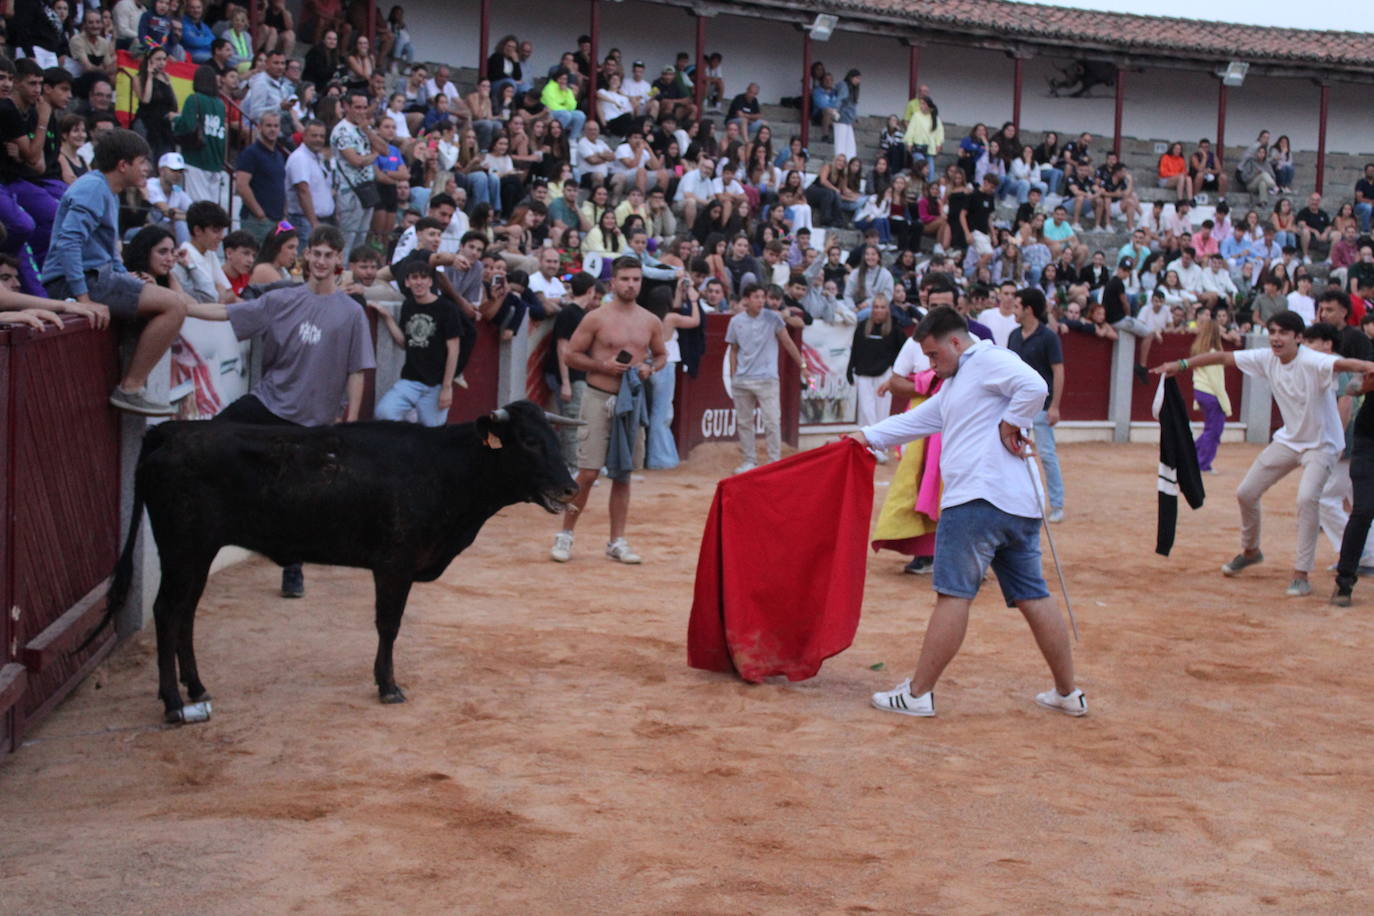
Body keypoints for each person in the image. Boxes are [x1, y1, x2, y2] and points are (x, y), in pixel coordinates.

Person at [852, 305, 1085, 719]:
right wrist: (866, 436)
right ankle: (1067, 692)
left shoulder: (987, 359)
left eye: (933, 355)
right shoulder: (960, 380)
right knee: (1033, 594)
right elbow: (924, 418)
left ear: (956, 342)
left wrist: (1010, 423)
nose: (930, 363)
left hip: (976, 501)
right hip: (1018, 505)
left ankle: (919, 693)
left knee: (953, 595)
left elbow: (1035, 385)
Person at [194, 225, 375, 598]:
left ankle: (292, 571)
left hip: (314, 418)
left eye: (329, 254)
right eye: (316, 253)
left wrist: (351, 420)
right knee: (209, 438)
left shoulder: (351, 313)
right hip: (269, 401)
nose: (322, 261)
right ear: (306, 256)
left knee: (297, 499)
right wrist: (181, 306)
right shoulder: (281, 299)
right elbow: (229, 313)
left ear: (339, 259)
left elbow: (357, 371)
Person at [1155, 310, 1374, 597]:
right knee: (1246, 492)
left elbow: (1347, 363)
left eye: (1283, 333)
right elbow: (1222, 358)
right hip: (1289, 440)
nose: (1275, 338)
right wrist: (1181, 364)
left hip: (1322, 444)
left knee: (1308, 499)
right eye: (1272, 332)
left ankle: (1301, 572)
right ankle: (1250, 550)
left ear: (1298, 338)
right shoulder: (1266, 357)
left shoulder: (1313, 360)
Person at [42, 128, 203, 415]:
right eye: (143, 161)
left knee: (164, 300)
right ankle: (131, 387)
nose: (147, 169)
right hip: (78, 283)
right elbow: (69, 242)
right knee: (174, 306)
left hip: (95, 276)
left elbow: (107, 252)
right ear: (123, 164)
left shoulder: (107, 191)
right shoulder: (92, 188)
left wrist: (123, 275)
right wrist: (83, 299)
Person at [549, 257, 666, 565]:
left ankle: (616, 541)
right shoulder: (595, 318)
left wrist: (649, 367)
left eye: (636, 279)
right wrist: (603, 365)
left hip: (631, 401)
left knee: (623, 474)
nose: (631, 284)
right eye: (625, 279)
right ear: (613, 283)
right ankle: (566, 534)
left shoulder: (650, 320)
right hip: (598, 396)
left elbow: (662, 355)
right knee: (587, 472)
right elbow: (571, 355)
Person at [727, 283, 810, 473]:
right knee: (744, 422)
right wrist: (733, 376)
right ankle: (749, 460)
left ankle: (774, 461)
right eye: (756, 297)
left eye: (762, 297)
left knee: (772, 421)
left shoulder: (773, 319)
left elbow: (788, 342)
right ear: (746, 299)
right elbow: (733, 350)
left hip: (767, 379)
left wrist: (803, 366)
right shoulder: (736, 321)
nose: (760, 301)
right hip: (743, 379)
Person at [370, 257, 460, 427]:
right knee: (384, 412)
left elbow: (454, 350)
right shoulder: (408, 306)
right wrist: (388, 318)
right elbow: (406, 343)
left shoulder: (447, 309)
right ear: (407, 282)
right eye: (414, 278)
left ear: (430, 281)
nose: (419, 282)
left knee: (433, 432)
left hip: (436, 384)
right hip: (410, 380)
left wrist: (447, 387)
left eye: (423, 277)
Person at [1008, 288, 1065, 522]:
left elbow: (1058, 371)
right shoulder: (1013, 335)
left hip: (1042, 406)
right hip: (1017, 407)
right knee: (1014, 454)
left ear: (1028, 310)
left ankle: (1057, 505)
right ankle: (1019, 502)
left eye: (1017, 306)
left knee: (1047, 455)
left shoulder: (1049, 337)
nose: (1014, 310)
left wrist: (1055, 406)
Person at [645, 277, 702, 470]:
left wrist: (679, 291)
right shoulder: (670, 319)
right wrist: (694, 300)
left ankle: (656, 456)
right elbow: (695, 321)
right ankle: (660, 459)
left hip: (651, 365)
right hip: (666, 366)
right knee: (662, 413)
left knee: (657, 412)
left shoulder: (651, 316)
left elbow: (674, 307)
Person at [845, 293, 904, 461]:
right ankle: (869, 449)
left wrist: (896, 374)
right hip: (863, 374)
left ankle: (879, 446)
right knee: (866, 411)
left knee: (882, 412)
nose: (879, 310)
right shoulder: (863, 326)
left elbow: (903, 352)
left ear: (887, 309)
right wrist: (850, 370)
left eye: (882, 307)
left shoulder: (894, 329)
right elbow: (855, 350)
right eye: (876, 307)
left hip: (884, 375)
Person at [332, 88, 388, 258]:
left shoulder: (364, 128)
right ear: (346, 107)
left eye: (364, 108)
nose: (362, 112)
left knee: (361, 237)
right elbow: (355, 160)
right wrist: (374, 155)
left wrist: (368, 132)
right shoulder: (341, 130)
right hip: (349, 191)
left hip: (366, 188)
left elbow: (385, 150)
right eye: (357, 107)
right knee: (347, 238)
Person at [171, 64, 229, 209]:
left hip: (195, 159)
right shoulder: (220, 105)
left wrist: (175, 119)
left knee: (197, 207)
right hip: (215, 161)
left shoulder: (194, 99)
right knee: (211, 206)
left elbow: (187, 125)